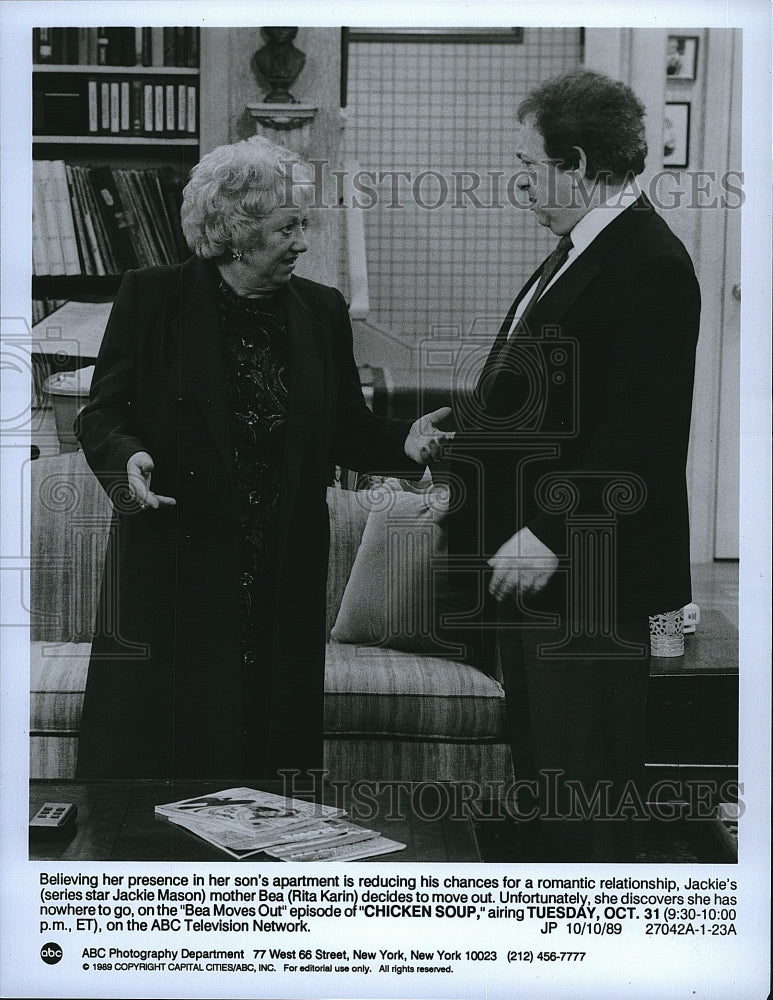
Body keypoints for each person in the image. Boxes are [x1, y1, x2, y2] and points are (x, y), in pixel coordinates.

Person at [75, 135, 449, 780]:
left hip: (280, 564)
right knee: (163, 759)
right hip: (175, 561)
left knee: (268, 758)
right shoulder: (152, 298)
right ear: (234, 230)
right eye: (287, 226)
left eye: (304, 223)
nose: (302, 241)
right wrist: (127, 458)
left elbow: (342, 428)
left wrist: (401, 443)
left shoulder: (322, 310)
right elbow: (102, 412)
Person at [445, 70, 700, 861]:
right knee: (545, 786)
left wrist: (549, 532)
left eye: (529, 163)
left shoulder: (649, 261)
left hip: (583, 572)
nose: (520, 181)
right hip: (532, 571)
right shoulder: (581, 248)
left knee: (583, 796)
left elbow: (639, 437)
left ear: (578, 161)